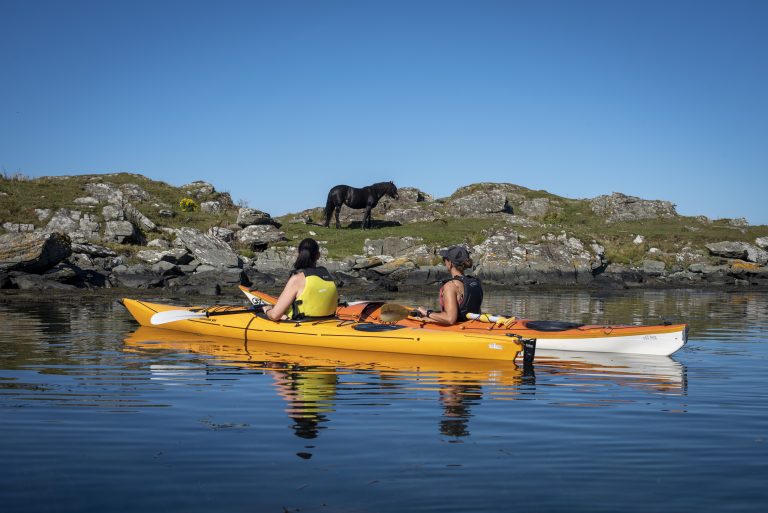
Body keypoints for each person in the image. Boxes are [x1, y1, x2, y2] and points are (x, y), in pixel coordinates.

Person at [262, 238, 339, 321]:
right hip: (328, 321)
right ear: (318, 255)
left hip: (300, 323)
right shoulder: (328, 276)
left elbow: (274, 315)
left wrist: (267, 310)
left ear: (299, 254)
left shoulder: (297, 279)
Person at [416, 245, 483, 325]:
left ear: (450, 263)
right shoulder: (476, 283)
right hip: (472, 325)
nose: (444, 262)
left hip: (457, 329)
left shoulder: (451, 286)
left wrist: (426, 312)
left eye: (444, 259)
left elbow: (450, 319)